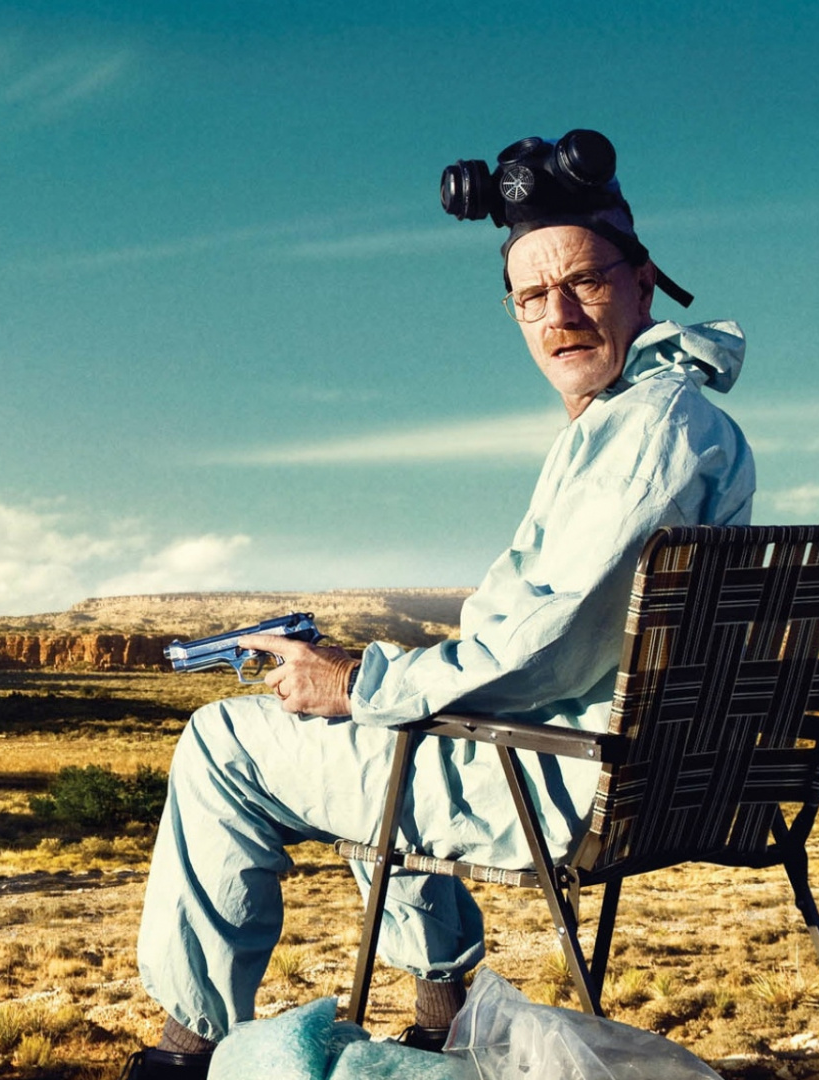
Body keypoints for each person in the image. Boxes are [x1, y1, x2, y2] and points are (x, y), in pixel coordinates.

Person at [124, 131, 755, 1078]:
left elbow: (541, 653)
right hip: (618, 768)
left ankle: (189, 1047)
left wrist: (356, 682)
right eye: (531, 296)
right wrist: (375, 686)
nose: (558, 314)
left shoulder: (650, 430)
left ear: (645, 282)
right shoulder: (650, 419)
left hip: (561, 777)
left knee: (228, 744)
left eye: (583, 282)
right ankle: (446, 1003)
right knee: (387, 717)